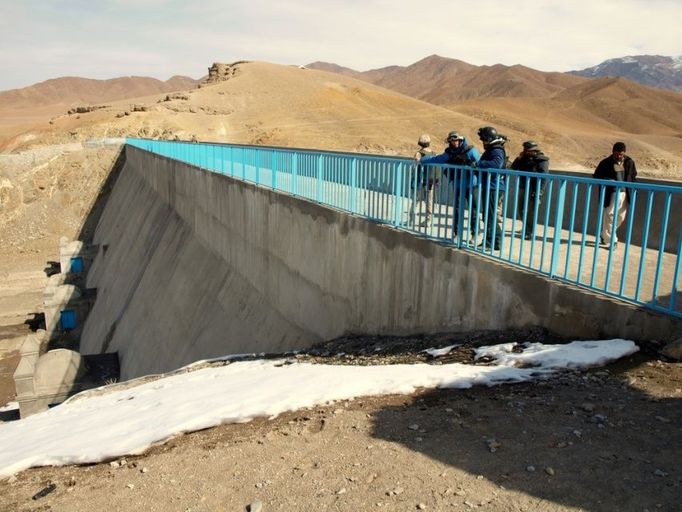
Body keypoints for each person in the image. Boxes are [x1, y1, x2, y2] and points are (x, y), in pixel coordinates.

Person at [416, 131, 481, 238]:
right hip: (458, 183)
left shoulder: (470, 151)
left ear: (460, 140)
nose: (454, 142)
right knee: (457, 210)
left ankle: (475, 233)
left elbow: (480, 163)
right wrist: (422, 160)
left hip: (472, 184)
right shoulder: (449, 153)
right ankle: (457, 234)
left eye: (456, 140)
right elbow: (436, 159)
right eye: (452, 140)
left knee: (474, 210)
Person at [593, 142, 637, 248]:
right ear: (613, 152)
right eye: (617, 154)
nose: (619, 156)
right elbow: (596, 176)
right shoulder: (606, 162)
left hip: (625, 192)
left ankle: (605, 234)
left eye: (621, 154)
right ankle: (613, 240)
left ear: (624, 153)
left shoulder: (629, 162)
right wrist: (608, 180)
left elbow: (634, 175)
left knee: (621, 217)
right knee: (610, 215)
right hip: (611, 192)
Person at [475, 126, 508, 251]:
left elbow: (496, 164)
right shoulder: (493, 148)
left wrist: (479, 164)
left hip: (494, 186)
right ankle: (495, 242)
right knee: (489, 215)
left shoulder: (496, 149)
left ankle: (489, 243)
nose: (482, 142)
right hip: (491, 185)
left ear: (488, 139)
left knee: (490, 216)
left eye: (483, 140)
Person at [510, 140, 550, 240]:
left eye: (527, 150)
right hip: (523, 187)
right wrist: (519, 158)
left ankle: (529, 232)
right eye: (525, 150)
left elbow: (544, 177)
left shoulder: (542, 160)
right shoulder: (523, 159)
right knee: (521, 209)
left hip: (534, 189)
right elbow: (513, 168)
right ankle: (526, 227)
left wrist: (540, 191)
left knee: (531, 212)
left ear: (534, 150)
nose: (525, 151)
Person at [409, 134, 436, 226]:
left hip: (419, 180)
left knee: (415, 200)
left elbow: (415, 166)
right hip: (429, 180)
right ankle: (428, 220)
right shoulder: (433, 153)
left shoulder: (418, 153)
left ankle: (411, 219)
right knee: (429, 201)